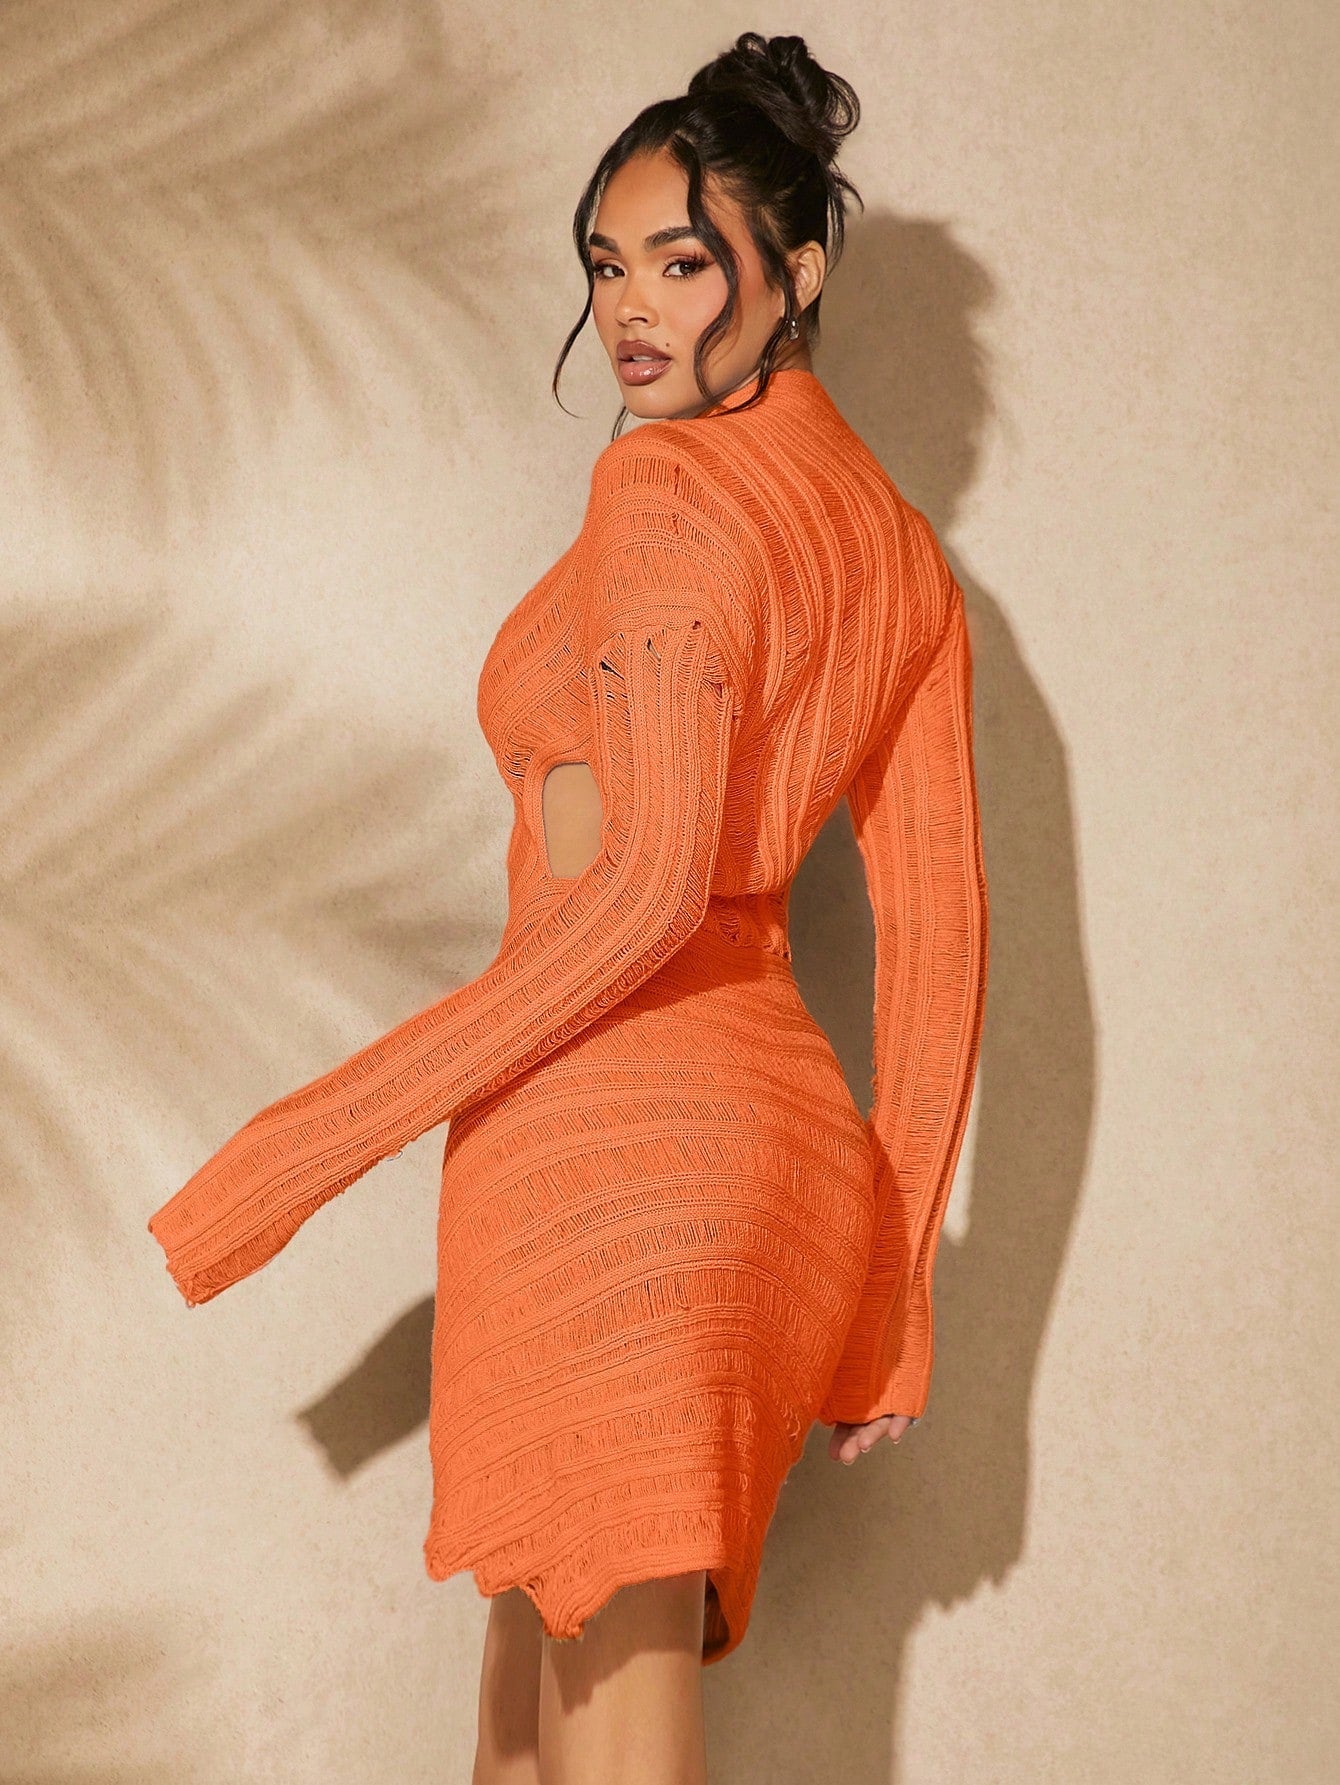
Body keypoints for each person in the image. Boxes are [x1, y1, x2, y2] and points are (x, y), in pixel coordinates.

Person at [146, 31, 989, 1785]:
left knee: (584, 1746)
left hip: (613, 1144)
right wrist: (890, 1293)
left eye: (684, 264)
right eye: (610, 266)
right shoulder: (902, 556)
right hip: (772, 1160)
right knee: (534, 1740)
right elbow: (941, 935)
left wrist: (299, 1148)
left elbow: (647, 891)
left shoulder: (666, 488)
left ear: (795, 275)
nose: (631, 312)